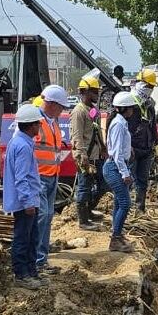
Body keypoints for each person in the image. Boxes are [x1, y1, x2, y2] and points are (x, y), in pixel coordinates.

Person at [3, 102, 43, 289]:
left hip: (28, 200)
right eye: (38, 123)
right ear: (31, 125)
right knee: (23, 238)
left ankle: (31, 271)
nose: (40, 126)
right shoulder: (23, 146)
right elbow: (21, 178)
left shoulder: (19, 141)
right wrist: (27, 202)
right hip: (24, 203)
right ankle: (21, 275)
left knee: (32, 237)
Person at [34, 84, 68, 276]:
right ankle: (38, 260)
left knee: (47, 217)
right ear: (53, 104)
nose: (62, 111)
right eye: (61, 107)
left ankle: (42, 258)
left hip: (51, 176)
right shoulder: (35, 121)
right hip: (39, 176)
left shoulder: (52, 122)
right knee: (43, 216)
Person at [104, 90, 139, 253]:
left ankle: (117, 234)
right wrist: (125, 174)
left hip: (116, 165)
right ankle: (115, 239)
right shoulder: (118, 124)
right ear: (125, 109)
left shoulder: (120, 122)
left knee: (119, 202)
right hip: (115, 167)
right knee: (125, 203)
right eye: (131, 107)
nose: (133, 110)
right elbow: (117, 153)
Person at [70, 74, 106, 230]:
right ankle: (83, 220)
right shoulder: (79, 111)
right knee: (84, 186)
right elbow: (76, 135)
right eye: (94, 92)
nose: (97, 95)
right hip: (85, 155)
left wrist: (103, 147)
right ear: (86, 91)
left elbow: (97, 130)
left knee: (103, 185)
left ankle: (89, 210)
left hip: (96, 154)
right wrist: (82, 155)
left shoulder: (93, 110)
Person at [130, 67, 158, 213]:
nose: (150, 89)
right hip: (132, 150)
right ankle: (126, 210)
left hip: (146, 149)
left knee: (142, 181)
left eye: (152, 87)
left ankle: (139, 209)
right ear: (141, 83)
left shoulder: (149, 105)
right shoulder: (129, 103)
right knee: (128, 180)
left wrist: (157, 143)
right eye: (149, 86)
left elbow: (152, 126)